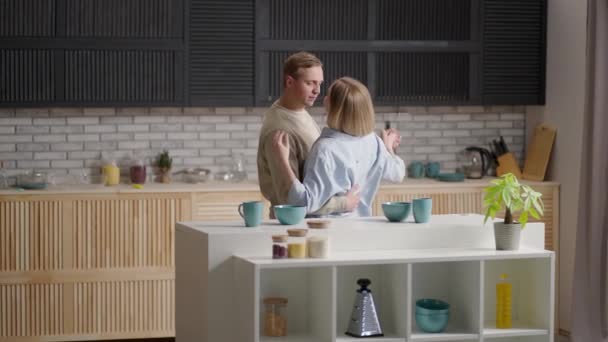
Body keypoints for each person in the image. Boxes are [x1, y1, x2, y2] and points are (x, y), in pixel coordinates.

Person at [272, 77, 405, 216]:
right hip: (361, 228)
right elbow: (398, 173)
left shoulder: (325, 149)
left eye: (329, 96)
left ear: (336, 109)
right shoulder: (374, 141)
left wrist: (282, 161)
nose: (323, 96)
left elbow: (303, 203)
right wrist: (388, 147)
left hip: (328, 231)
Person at [257, 52, 360, 217]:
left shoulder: (298, 111)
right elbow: (290, 201)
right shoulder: (279, 131)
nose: (317, 90)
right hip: (292, 224)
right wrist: (343, 203)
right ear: (290, 82)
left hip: (311, 222)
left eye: (319, 83)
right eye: (310, 83)